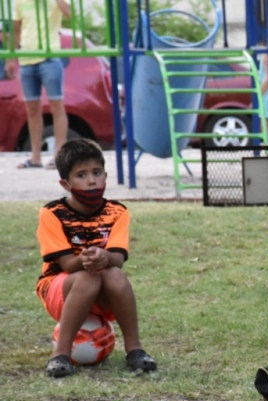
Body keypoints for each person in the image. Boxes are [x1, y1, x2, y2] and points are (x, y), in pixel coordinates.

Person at [36, 138, 157, 378]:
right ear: (65, 183)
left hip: (102, 284)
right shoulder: (52, 213)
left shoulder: (117, 211)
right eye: (81, 175)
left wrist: (104, 256)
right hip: (59, 290)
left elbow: (118, 259)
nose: (91, 180)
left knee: (115, 273)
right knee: (86, 278)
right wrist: (89, 258)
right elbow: (68, 264)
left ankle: (135, 349)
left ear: (105, 175)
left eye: (97, 172)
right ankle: (60, 354)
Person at [6, 0, 72, 169]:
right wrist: (11, 58)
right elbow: (15, 30)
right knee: (32, 108)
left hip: (50, 57)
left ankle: (59, 155)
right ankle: (35, 157)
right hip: (27, 58)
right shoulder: (19, 2)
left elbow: (70, 15)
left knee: (57, 105)